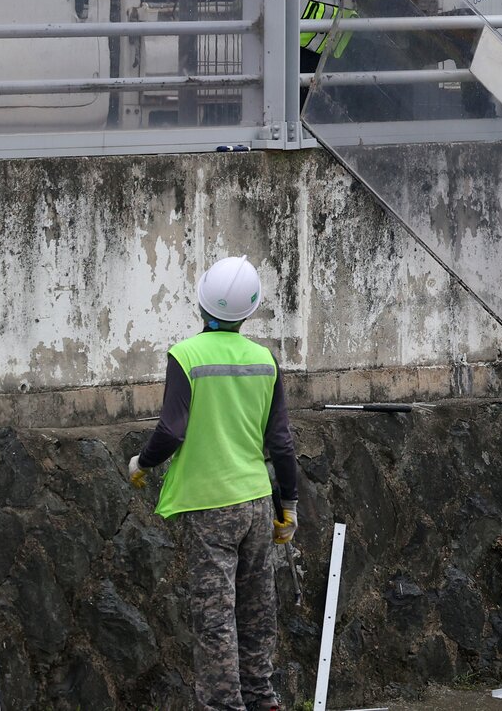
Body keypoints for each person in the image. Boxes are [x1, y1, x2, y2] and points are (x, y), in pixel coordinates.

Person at [128, 255, 299, 711]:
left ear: (202, 300)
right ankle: (263, 699)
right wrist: (290, 507)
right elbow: (280, 443)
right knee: (258, 610)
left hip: (210, 507)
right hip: (258, 504)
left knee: (215, 616)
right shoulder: (264, 361)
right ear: (249, 310)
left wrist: (140, 464)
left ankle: (225, 706)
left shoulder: (187, 355)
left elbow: (170, 431)